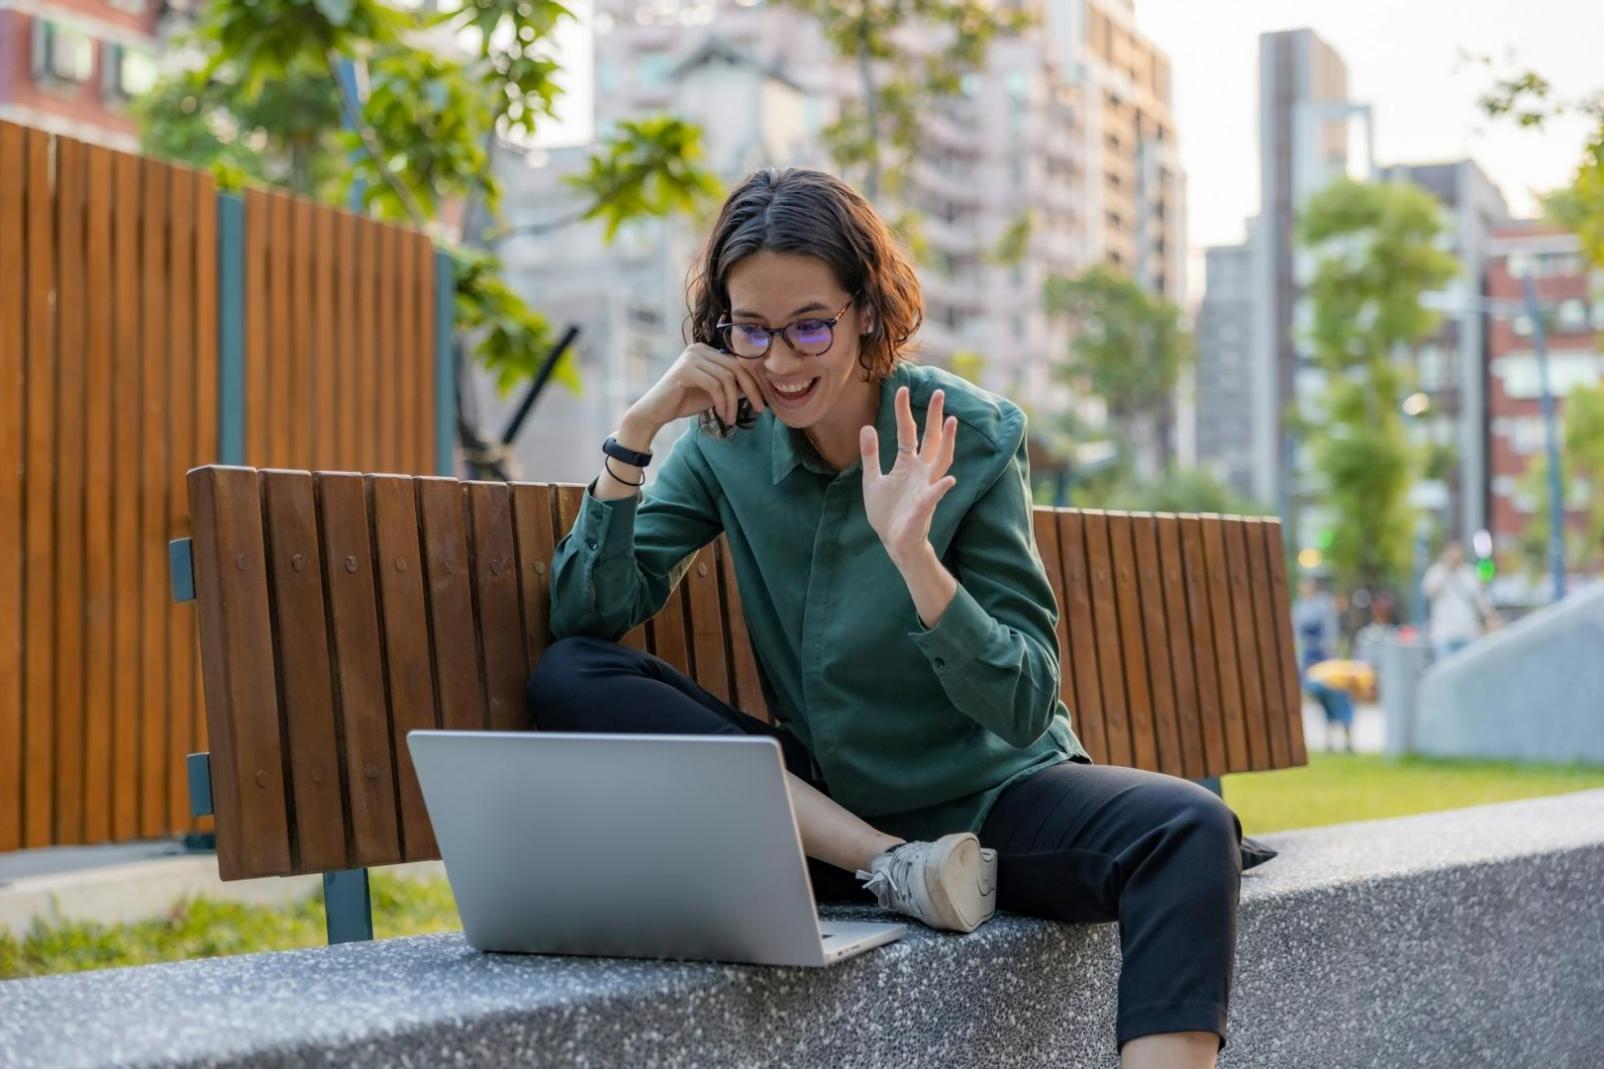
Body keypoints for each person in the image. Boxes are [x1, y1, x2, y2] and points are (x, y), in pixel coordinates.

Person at [525, 168, 1255, 1068]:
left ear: (867, 309)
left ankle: (916, 865)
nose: (781, 362)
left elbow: (1025, 703)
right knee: (570, 677)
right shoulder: (725, 440)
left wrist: (915, 558)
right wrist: (637, 430)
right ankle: (895, 864)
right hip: (835, 825)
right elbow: (586, 615)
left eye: (810, 326)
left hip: (991, 805)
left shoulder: (971, 432)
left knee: (1188, 829)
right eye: (750, 329)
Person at [1291, 576, 1356, 753]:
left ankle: (1347, 737)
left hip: (1325, 655)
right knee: (1320, 699)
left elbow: (1330, 632)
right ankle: (1328, 738)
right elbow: (1297, 634)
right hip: (1310, 656)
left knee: (1338, 695)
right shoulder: (1300, 606)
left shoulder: (1323, 605)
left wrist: (1331, 653)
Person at [1422, 541, 1498, 660]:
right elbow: (1430, 592)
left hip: (1469, 634)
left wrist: (1491, 621)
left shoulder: (1470, 574)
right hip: (1444, 635)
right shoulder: (1437, 572)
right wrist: (1447, 569)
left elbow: (1482, 601)